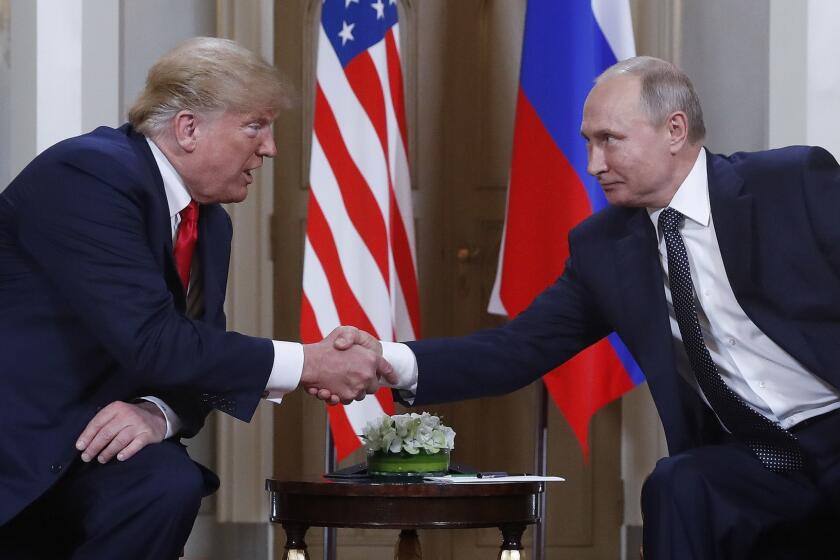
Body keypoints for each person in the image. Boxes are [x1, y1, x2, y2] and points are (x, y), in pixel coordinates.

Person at [324, 56, 840, 558]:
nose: (593, 164)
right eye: (588, 143)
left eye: (609, 140)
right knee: (679, 484)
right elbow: (516, 350)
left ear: (675, 130)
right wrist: (389, 361)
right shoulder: (604, 247)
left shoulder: (791, 182)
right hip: (756, 457)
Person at [0, 37, 392, 559]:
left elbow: (196, 352)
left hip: (90, 443)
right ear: (188, 128)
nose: (270, 147)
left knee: (167, 483)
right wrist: (307, 362)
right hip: (18, 437)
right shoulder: (90, 175)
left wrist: (158, 413)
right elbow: (154, 341)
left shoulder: (209, 225)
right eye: (255, 125)